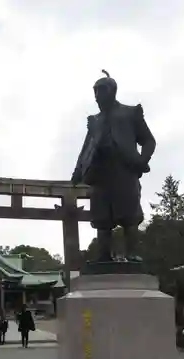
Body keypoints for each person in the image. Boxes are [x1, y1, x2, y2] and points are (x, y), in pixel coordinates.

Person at [71, 69, 156, 262]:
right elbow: (86, 148)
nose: (97, 98)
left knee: (129, 214)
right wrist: (78, 170)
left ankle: (132, 252)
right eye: (95, 93)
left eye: (100, 92)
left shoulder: (130, 113)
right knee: (102, 217)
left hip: (124, 168)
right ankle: (103, 256)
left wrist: (143, 160)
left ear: (112, 91)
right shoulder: (95, 121)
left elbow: (149, 141)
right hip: (100, 171)